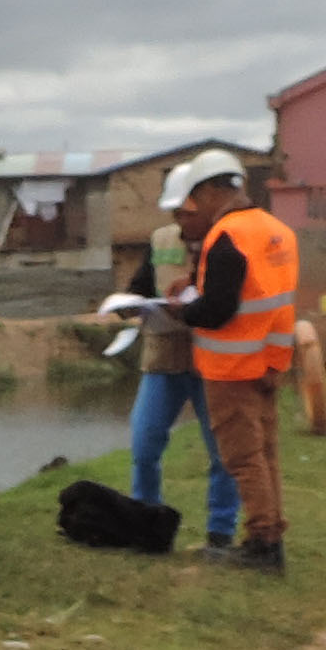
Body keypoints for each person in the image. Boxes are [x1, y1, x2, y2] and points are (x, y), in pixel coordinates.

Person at [161, 156, 303, 573]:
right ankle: (271, 533)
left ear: (209, 191)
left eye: (194, 199)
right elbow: (256, 288)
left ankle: (262, 545)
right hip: (270, 359)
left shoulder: (226, 236)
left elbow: (218, 310)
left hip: (232, 366)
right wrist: (196, 286)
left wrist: (179, 311)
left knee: (242, 458)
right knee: (266, 454)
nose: (194, 210)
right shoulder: (277, 230)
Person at [123, 204, 235, 550]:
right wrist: (128, 304)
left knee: (222, 452)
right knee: (144, 444)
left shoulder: (225, 244)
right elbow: (141, 287)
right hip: (164, 359)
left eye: (188, 214)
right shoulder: (160, 240)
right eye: (177, 214)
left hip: (212, 361)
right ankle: (146, 521)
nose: (180, 221)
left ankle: (220, 533)